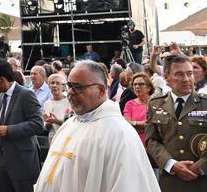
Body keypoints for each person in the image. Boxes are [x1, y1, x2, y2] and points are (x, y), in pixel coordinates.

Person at [34, 61, 161, 192]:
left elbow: (129, 186)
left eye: (77, 87)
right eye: (69, 86)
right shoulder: (68, 126)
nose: (71, 93)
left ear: (100, 90)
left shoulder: (119, 133)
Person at [145, 53, 207, 192]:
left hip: (205, 182)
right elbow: (152, 140)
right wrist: (171, 164)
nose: (186, 79)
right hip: (171, 182)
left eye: (190, 73)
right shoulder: (156, 104)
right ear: (166, 77)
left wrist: (197, 168)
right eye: (179, 74)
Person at [0, 58, 43, 192]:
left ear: (2, 80)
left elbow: (38, 124)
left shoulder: (26, 94)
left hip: (22, 162)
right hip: (2, 162)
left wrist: (9, 130)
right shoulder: (0, 98)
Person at [122, 72, 153, 146]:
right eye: (135, 84)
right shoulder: (129, 104)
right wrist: (144, 125)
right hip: (135, 143)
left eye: (141, 84)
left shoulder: (156, 102)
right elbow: (127, 125)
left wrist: (135, 123)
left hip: (153, 144)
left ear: (149, 87)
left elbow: (153, 124)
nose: (137, 87)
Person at [42, 72, 71, 142]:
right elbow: (46, 127)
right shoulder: (47, 103)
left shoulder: (69, 101)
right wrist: (48, 124)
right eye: (52, 83)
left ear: (63, 86)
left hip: (67, 138)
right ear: (49, 86)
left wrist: (56, 121)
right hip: (53, 139)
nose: (54, 85)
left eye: (57, 83)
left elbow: (71, 124)